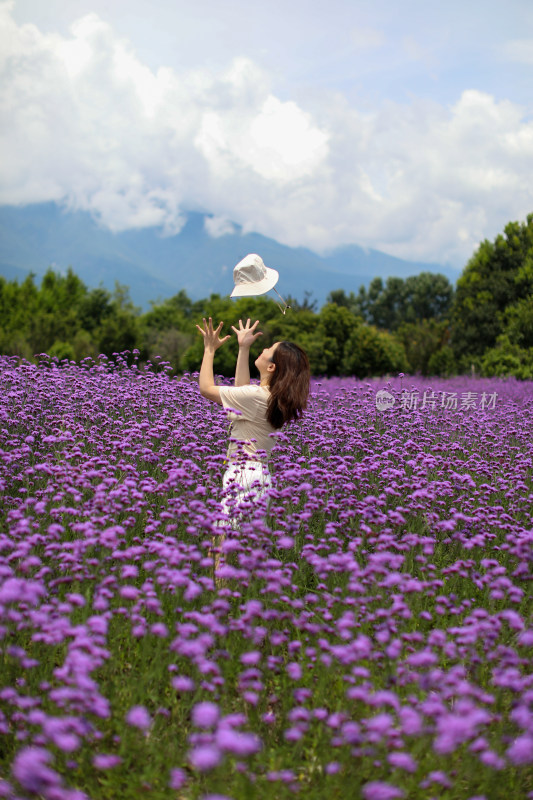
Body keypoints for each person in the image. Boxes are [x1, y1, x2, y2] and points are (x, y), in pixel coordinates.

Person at [195, 317, 310, 564]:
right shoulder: (266, 397)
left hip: (243, 476)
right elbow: (241, 391)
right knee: (233, 554)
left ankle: (222, 599)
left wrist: (209, 349)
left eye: (268, 350)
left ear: (271, 367)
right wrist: (243, 348)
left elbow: (206, 388)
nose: (264, 348)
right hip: (257, 477)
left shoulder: (258, 396)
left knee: (221, 552)